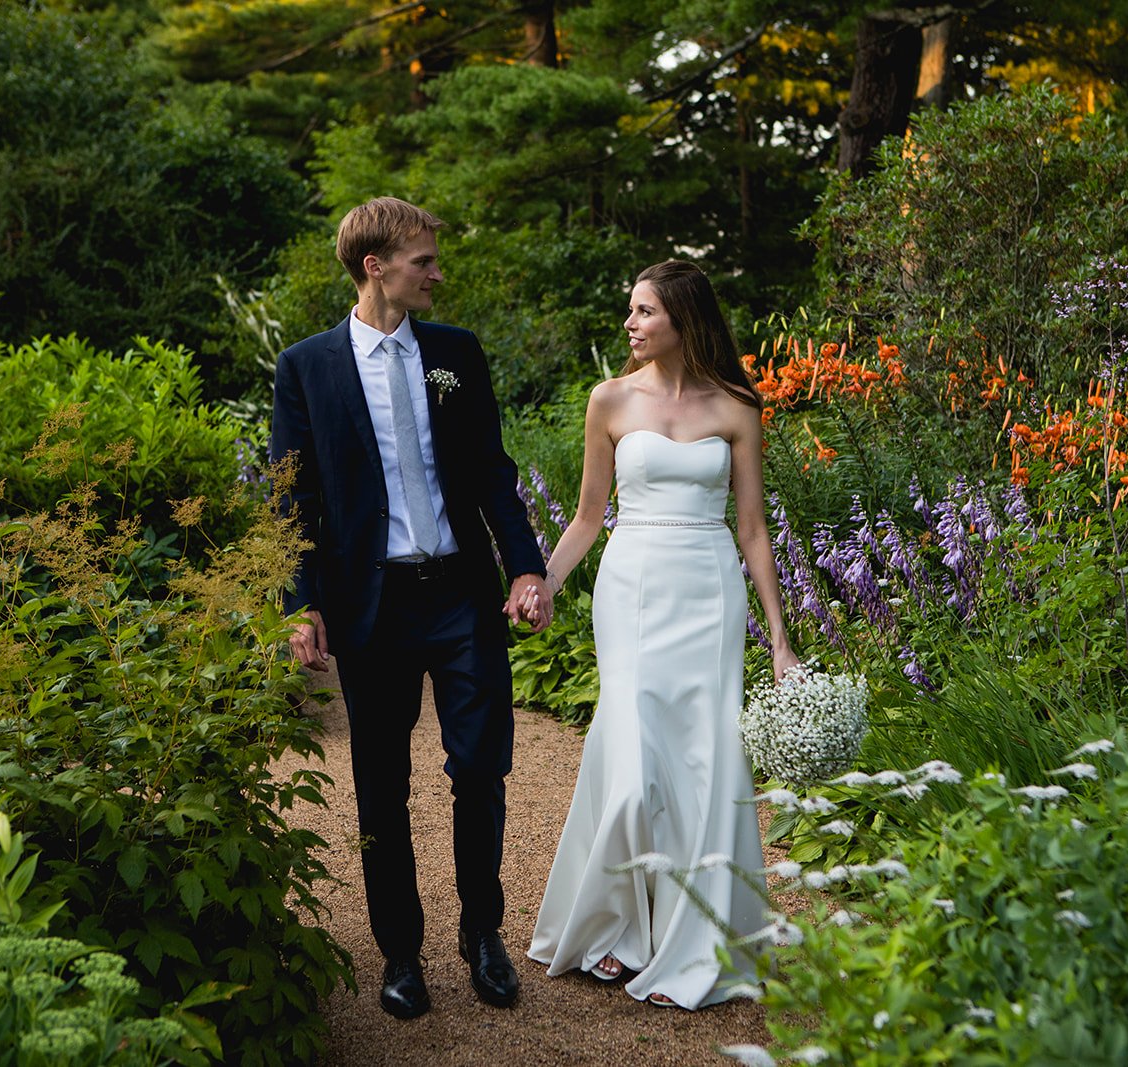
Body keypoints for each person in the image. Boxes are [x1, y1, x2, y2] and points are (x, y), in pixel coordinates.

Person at [269, 196, 554, 1021]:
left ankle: (483, 933)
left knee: (481, 768)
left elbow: (494, 474)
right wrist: (300, 603)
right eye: (423, 260)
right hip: (373, 604)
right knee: (379, 782)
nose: (436, 272)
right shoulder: (307, 367)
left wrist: (526, 567)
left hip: (461, 594)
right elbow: (294, 500)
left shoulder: (456, 354)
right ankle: (400, 950)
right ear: (375, 267)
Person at [525, 259, 801, 1009]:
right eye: (631, 310)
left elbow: (752, 530)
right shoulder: (609, 399)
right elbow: (587, 516)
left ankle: (700, 928)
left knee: (702, 755)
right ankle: (618, 928)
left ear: (683, 317)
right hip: (634, 584)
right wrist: (541, 583)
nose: (630, 323)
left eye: (644, 311)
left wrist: (779, 637)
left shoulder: (738, 405)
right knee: (634, 750)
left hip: (708, 587)